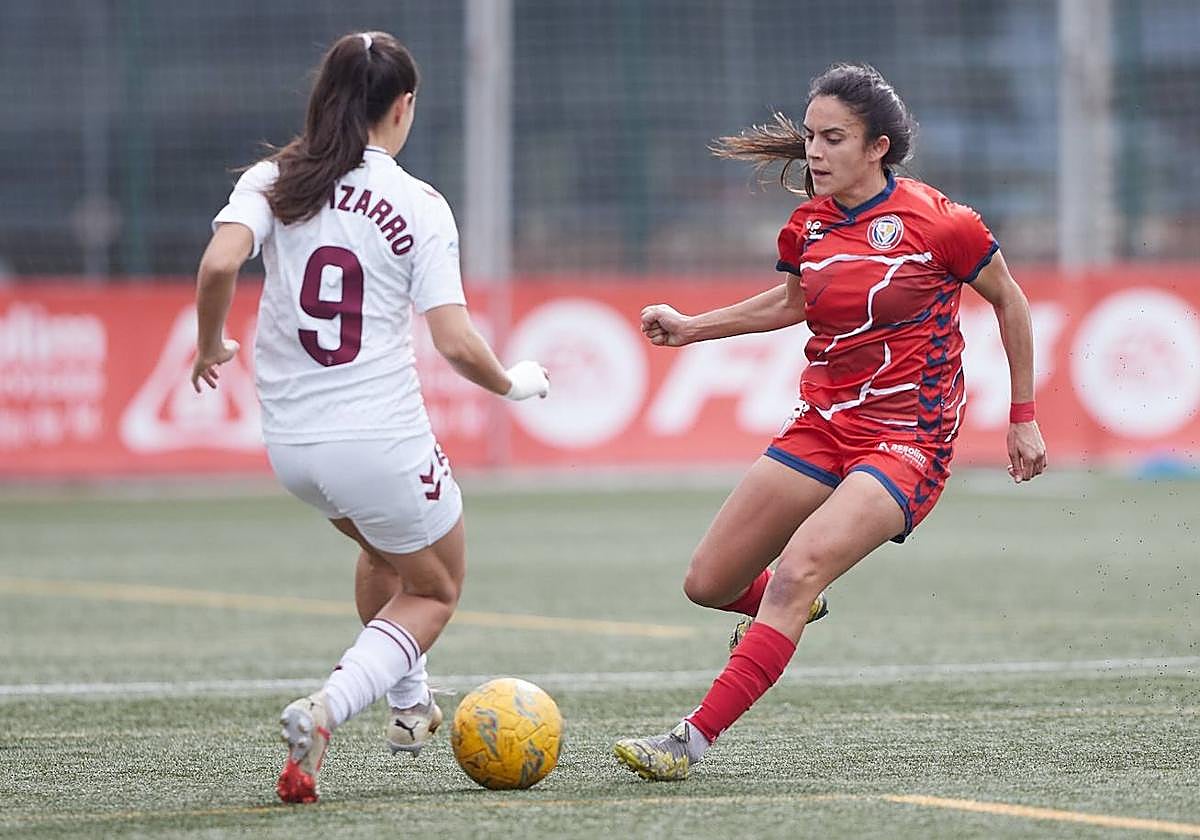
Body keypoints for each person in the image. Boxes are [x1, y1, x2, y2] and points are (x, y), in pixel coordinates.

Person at [613, 63, 1046, 781]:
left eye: (832, 138)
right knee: (708, 582)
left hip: (909, 440)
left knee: (794, 573)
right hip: (822, 425)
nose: (813, 152)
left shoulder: (941, 221)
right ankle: (791, 609)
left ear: (877, 147)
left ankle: (687, 743)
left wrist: (1022, 416)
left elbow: (1011, 300)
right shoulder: (806, 225)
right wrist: (692, 329)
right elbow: (791, 304)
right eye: (810, 136)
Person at [190, 31, 550, 803]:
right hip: (378, 438)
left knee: (389, 559)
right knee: (438, 587)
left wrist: (208, 343)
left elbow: (220, 262)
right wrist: (513, 385)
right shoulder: (416, 203)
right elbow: (454, 340)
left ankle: (412, 707)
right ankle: (328, 708)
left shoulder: (275, 176)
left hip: (291, 448)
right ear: (404, 106)